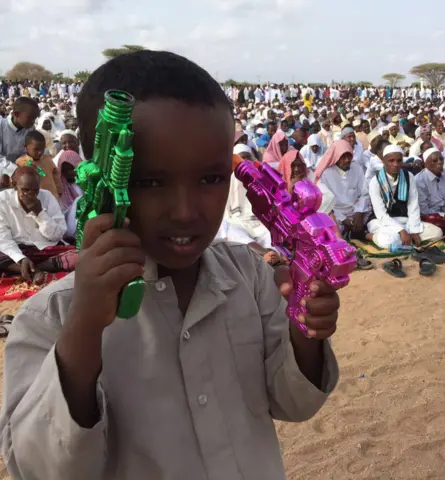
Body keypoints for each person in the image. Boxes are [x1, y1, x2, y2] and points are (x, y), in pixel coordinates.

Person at [0, 50, 341, 480]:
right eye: (149, 182)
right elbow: (39, 468)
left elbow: (294, 403)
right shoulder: (50, 316)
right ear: (100, 178)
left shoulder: (251, 279)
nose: (185, 211)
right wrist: (84, 327)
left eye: (211, 179)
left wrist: (304, 330)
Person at [0, 166, 75, 283]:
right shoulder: (2, 200)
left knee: (77, 256)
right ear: (14, 185)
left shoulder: (47, 197)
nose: (31, 195)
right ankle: (33, 269)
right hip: (18, 249)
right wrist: (21, 259)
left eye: (35, 190)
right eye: (25, 190)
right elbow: (3, 238)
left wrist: (39, 213)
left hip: (46, 249)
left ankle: (29, 269)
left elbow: (57, 234)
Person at [367, 145, 443, 249]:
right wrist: (401, 231)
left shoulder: (409, 177)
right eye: (391, 161)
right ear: (384, 161)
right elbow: (381, 214)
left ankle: (403, 240)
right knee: (388, 241)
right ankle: (369, 236)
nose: (396, 164)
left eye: (399, 161)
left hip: (405, 220)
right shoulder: (375, 182)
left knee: (437, 233)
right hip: (381, 222)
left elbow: (413, 206)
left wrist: (413, 230)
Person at [315, 139, 369, 240]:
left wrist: (359, 213)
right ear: (336, 157)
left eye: (349, 156)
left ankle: (355, 232)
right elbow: (327, 203)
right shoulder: (327, 174)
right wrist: (343, 219)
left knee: (369, 217)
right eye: (343, 157)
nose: (347, 160)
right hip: (336, 214)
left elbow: (364, 194)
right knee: (329, 231)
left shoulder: (357, 168)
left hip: (355, 211)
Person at [415, 148, 445, 235]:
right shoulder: (419, 180)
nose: (440, 162)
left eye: (441, 159)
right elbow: (423, 210)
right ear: (425, 164)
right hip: (428, 215)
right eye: (435, 160)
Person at [16, 130, 63, 197]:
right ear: (26, 147)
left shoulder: (47, 159)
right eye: (36, 149)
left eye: (42, 149)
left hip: (53, 195)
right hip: (35, 198)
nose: (40, 152)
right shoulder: (21, 162)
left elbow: (55, 174)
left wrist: (59, 189)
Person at [0, 97, 40, 164]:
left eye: (35, 118)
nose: (33, 121)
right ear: (16, 114)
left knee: (42, 171)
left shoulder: (30, 129)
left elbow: (29, 153)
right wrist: (14, 169)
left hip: (23, 166)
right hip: (4, 171)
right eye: (30, 117)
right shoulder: (1, 126)